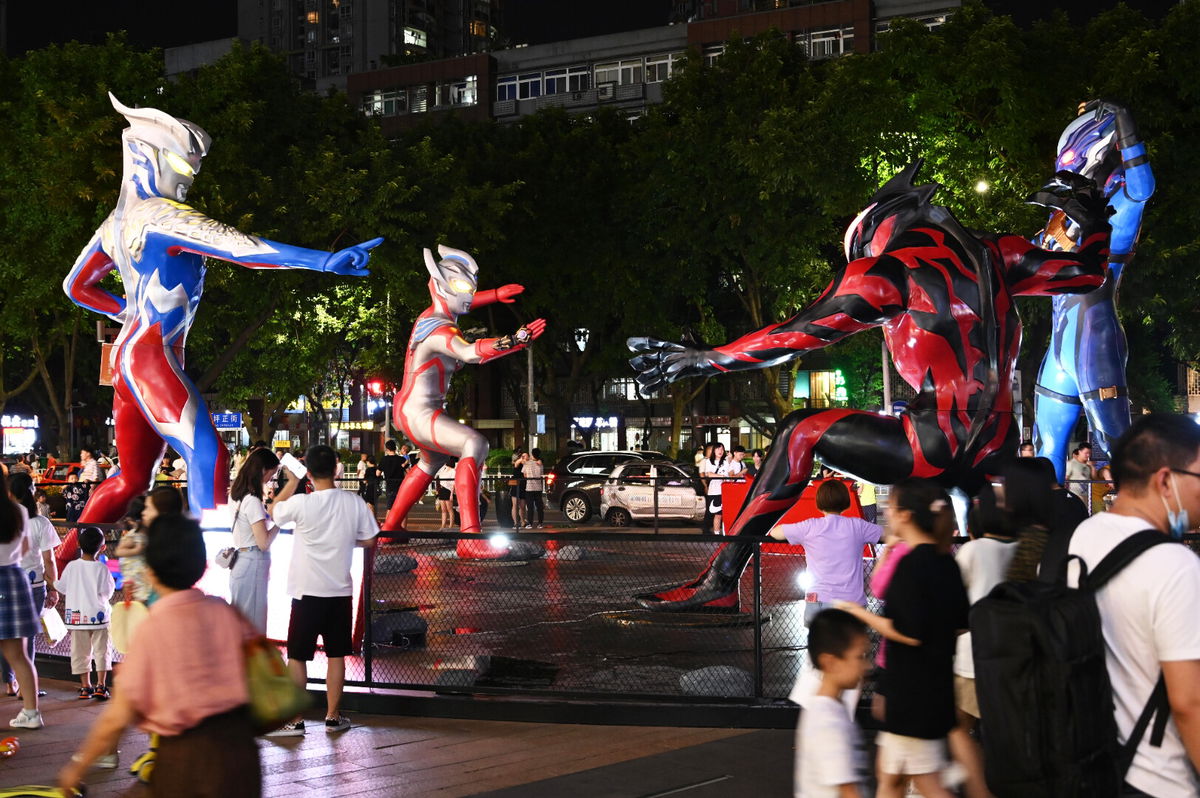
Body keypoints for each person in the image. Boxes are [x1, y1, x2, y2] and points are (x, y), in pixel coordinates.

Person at [628, 160, 1109, 612]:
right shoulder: (999, 254)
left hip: (933, 441)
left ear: (874, 231)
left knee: (801, 431)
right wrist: (1094, 221)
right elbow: (1088, 273)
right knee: (990, 566)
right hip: (997, 444)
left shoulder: (888, 272)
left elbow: (794, 336)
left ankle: (719, 583)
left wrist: (706, 359)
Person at [58, 514, 261, 796]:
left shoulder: (155, 626)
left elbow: (118, 714)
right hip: (244, 755)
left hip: (186, 758)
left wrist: (75, 771)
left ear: (150, 571)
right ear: (202, 566)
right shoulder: (224, 611)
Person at [1066, 414, 1200, 797]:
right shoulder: (1176, 566)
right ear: (1166, 480)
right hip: (1163, 780)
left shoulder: (1084, 537)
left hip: (1100, 763)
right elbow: (1190, 703)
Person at [837, 479, 969, 798]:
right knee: (891, 775)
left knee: (923, 782)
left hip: (912, 691)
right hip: (933, 684)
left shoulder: (913, 565)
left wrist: (860, 614)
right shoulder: (945, 560)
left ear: (907, 515)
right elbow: (959, 623)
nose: (887, 513)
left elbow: (909, 633)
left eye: (891, 507)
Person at [268, 445, 378, 735]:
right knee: (336, 655)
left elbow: (273, 511)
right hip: (339, 592)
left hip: (305, 592)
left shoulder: (302, 503)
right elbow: (369, 540)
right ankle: (333, 716)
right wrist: (344, 542)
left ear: (309, 472)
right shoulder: (353, 502)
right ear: (336, 468)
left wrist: (291, 482)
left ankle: (295, 720)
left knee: (297, 656)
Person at [953, 482, 1019, 798]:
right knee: (1002, 731)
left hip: (972, 654)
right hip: (1011, 655)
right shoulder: (1021, 549)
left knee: (957, 727)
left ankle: (978, 788)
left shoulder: (973, 550)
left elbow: (952, 595)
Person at [767, 480, 881, 625]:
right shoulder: (857, 526)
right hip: (853, 605)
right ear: (845, 500)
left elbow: (775, 532)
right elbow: (885, 534)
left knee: (821, 647)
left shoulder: (810, 526)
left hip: (818, 603)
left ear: (819, 501)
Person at [794, 609, 870, 798]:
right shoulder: (828, 723)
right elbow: (849, 793)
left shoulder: (830, 708)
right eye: (860, 657)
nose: (868, 666)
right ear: (830, 662)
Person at [0, 473, 57, 699]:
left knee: (4, 638)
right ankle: (27, 691)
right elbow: (49, 560)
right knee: (25, 640)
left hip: (8, 578)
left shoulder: (10, 514)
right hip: (29, 585)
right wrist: (53, 587)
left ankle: (9, 683)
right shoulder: (35, 520)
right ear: (32, 491)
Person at [229, 448, 298, 634]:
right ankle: (253, 662)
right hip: (253, 562)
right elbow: (264, 543)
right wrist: (279, 523)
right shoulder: (252, 501)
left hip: (241, 562)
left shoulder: (237, 495)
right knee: (254, 626)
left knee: (242, 622)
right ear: (262, 470)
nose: (272, 477)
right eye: (272, 473)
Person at [0, 470, 43, 730]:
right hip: (15, 578)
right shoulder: (19, 511)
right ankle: (31, 712)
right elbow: (25, 549)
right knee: (19, 654)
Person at [60, 527, 115, 701]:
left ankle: (85, 686)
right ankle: (101, 685)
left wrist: (50, 580)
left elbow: (62, 587)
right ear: (103, 547)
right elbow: (108, 592)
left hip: (77, 618)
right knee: (102, 650)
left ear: (77, 544)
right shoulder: (101, 568)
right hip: (99, 617)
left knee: (79, 651)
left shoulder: (72, 566)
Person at [700, 442, 730, 534]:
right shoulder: (709, 461)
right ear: (714, 451)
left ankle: (718, 533)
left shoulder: (725, 462)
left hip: (723, 491)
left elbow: (728, 476)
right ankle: (709, 531)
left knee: (719, 514)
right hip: (713, 491)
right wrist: (722, 476)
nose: (720, 451)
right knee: (711, 513)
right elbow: (709, 474)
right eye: (718, 449)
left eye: (722, 449)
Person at [379, 440, 407, 511]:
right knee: (402, 509)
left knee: (390, 508)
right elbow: (409, 472)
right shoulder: (401, 459)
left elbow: (378, 473)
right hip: (401, 485)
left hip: (389, 486)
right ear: (395, 448)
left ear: (387, 449)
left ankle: (388, 522)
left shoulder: (383, 459)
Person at [1065, 443, 1094, 507]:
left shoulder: (1088, 466)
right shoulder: (1071, 464)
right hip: (1074, 496)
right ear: (1079, 452)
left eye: (1089, 453)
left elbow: (1094, 478)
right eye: (1086, 453)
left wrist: (1092, 467)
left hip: (1086, 496)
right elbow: (1065, 480)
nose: (1088, 455)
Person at [524, 448, 546, 529]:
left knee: (530, 507)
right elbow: (541, 474)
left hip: (529, 487)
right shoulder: (540, 463)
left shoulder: (527, 463)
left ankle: (530, 523)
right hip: (538, 487)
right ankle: (540, 523)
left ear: (532, 454)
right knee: (539, 506)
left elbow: (525, 475)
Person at [436, 459, 456, 530]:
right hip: (441, 489)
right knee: (443, 509)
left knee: (449, 509)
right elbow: (438, 477)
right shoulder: (444, 469)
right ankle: (443, 525)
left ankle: (451, 526)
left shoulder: (453, 471)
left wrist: (451, 494)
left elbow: (454, 483)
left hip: (448, 490)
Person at [510, 451, 527, 530]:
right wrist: (522, 459)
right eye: (522, 456)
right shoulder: (517, 463)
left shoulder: (525, 465)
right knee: (515, 504)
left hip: (523, 486)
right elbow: (517, 462)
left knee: (523, 506)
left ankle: (523, 521)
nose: (524, 458)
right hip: (516, 485)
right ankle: (516, 523)